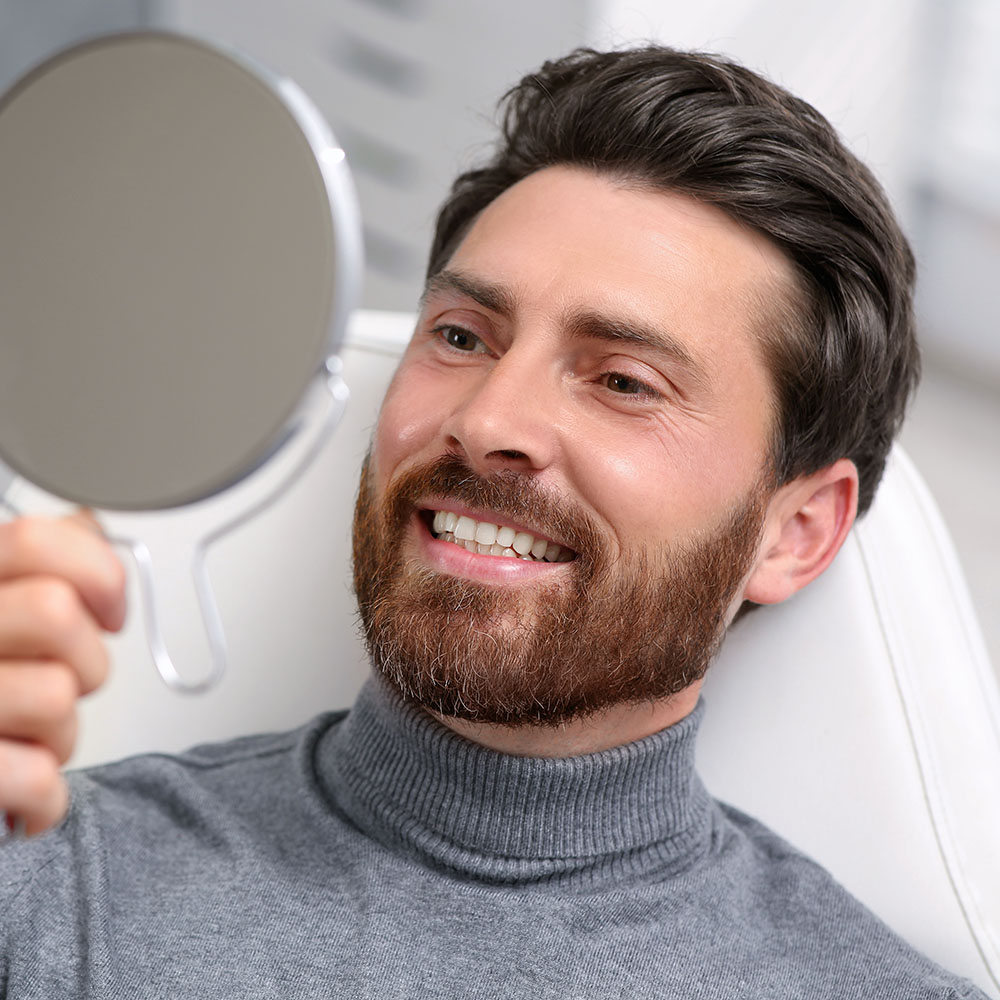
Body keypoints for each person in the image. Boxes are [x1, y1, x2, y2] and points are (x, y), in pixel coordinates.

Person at [0, 45, 988, 999]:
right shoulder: (53, 883)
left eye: (621, 381)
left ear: (797, 530)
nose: (486, 423)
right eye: (463, 337)